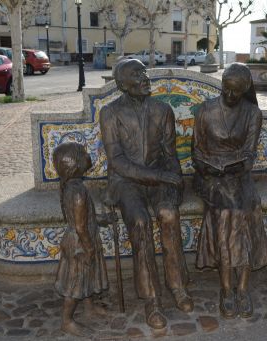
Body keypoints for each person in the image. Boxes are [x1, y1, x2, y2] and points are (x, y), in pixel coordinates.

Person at [99, 59, 193, 329]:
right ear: (122, 84)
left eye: (144, 72)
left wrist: (174, 184)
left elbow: (170, 154)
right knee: (140, 221)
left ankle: (177, 285)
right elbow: (117, 161)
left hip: (157, 178)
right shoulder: (110, 113)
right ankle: (151, 298)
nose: (144, 77)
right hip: (125, 181)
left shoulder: (162, 110)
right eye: (136, 74)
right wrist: (161, 177)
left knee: (168, 213)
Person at [192, 63, 267, 319]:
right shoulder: (205, 110)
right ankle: (227, 288)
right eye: (226, 89)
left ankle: (243, 287)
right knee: (228, 212)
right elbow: (196, 152)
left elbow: (249, 156)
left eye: (236, 92)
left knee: (247, 209)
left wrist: (233, 166)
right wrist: (210, 167)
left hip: (239, 174)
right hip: (209, 177)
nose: (229, 96)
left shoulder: (252, 113)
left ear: (245, 90)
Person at [53, 142, 109, 336]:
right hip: (80, 243)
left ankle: (89, 307)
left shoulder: (72, 186)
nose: (88, 155)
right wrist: (89, 247)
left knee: (87, 275)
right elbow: (80, 226)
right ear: (75, 164)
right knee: (76, 282)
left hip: (81, 238)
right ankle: (66, 321)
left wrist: (103, 219)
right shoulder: (77, 192)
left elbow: (85, 218)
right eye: (84, 153)